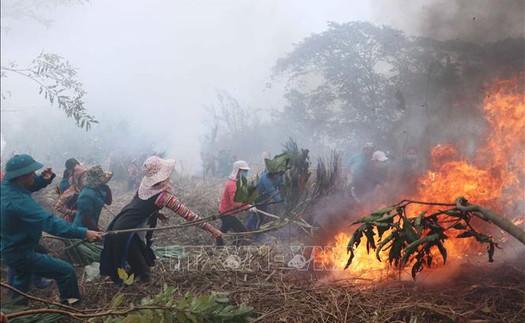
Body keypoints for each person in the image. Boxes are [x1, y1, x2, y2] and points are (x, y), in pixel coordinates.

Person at [100, 156, 223, 285]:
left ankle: (133, 283)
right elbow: (189, 215)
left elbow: (141, 205)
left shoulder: (145, 185)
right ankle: (127, 288)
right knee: (141, 268)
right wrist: (213, 230)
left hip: (124, 223)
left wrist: (155, 213)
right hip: (124, 231)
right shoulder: (164, 197)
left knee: (143, 263)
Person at [1, 154, 102, 305]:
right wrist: (83, 232)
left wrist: (44, 179)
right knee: (66, 272)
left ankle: (16, 310)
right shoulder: (18, 201)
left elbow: (27, 187)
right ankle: (71, 308)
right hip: (21, 251)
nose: (34, 175)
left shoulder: (7, 186)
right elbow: (50, 223)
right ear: (20, 176)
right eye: (31, 173)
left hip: (11, 246)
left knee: (22, 281)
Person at [219, 160, 256, 235]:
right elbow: (235, 203)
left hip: (226, 212)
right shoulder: (233, 184)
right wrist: (248, 206)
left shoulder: (238, 182)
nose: (246, 173)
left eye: (246, 171)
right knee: (242, 232)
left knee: (223, 230)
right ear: (238, 171)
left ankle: (219, 245)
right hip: (227, 213)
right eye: (244, 171)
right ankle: (236, 245)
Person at [73, 165, 113, 231]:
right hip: (82, 228)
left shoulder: (98, 188)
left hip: (92, 225)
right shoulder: (86, 195)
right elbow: (85, 218)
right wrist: (97, 231)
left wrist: (107, 188)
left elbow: (108, 202)